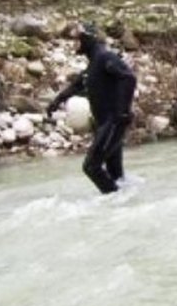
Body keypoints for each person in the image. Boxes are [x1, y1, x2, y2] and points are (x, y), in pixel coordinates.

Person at [46, 23, 137, 194]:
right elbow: (77, 85)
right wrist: (56, 101)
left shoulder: (105, 57)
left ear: (88, 39)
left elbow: (129, 78)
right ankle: (124, 204)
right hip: (106, 123)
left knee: (91, 167)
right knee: (116, 175)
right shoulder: (93, 65)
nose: (74, 44)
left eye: (76, 39)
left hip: (113, 122)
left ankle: (113, 199)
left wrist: (122, 111)